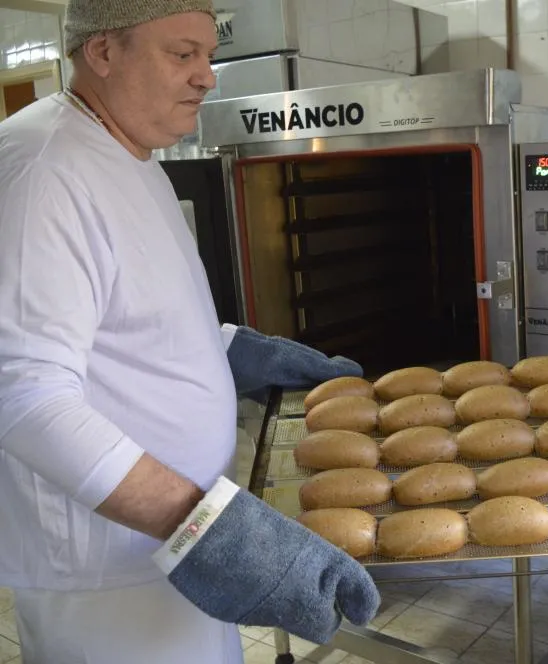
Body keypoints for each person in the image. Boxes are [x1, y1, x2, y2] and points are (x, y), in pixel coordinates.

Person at [0, 2, 381, 663]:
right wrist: (212, 530)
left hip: (177, 557)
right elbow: (23, 396)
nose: (207, 77)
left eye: (208, 55)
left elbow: (128, 318)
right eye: (182, 54)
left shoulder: (130, 152)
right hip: (109, 577)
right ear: (103, 53)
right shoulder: (45, 170)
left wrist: (232, 350)